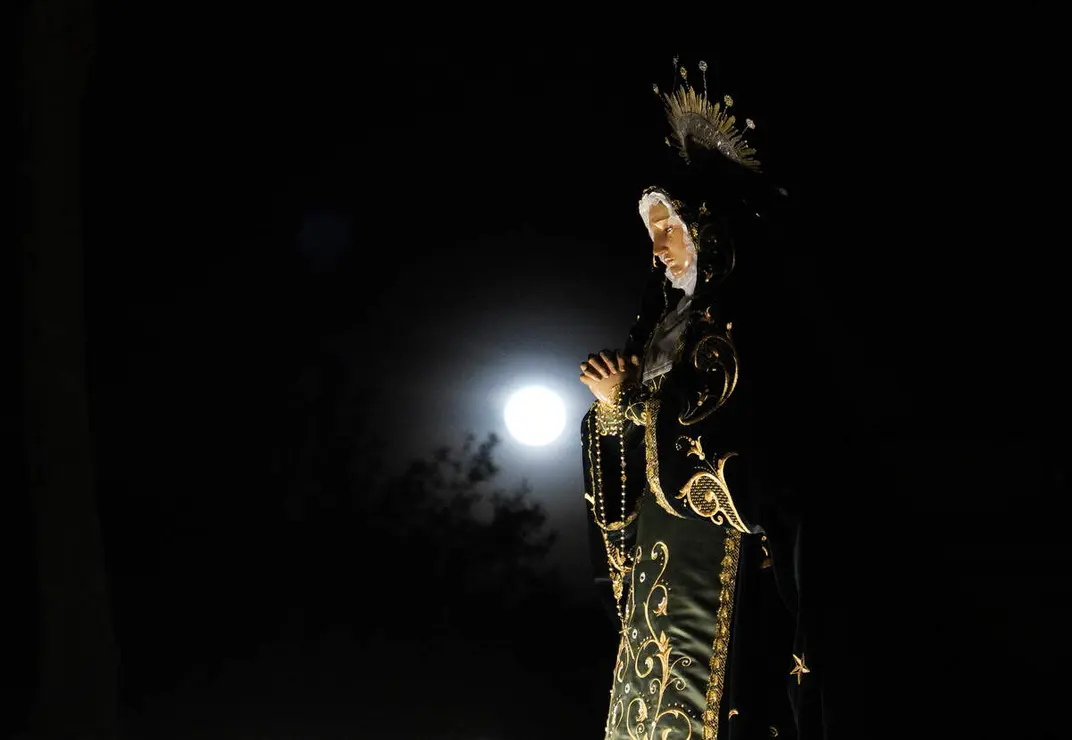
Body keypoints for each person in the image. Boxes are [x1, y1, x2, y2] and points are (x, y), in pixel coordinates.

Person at [579, 60, 825, 739]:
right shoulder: (662, 335)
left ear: (708, 229)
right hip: (661, 570)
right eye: (651, 233)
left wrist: (629, 405)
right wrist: (609, 413)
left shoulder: (743, 328)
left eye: (671, 227)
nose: (658, 248)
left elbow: (733, 440)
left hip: (725, 559)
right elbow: (630, 464)